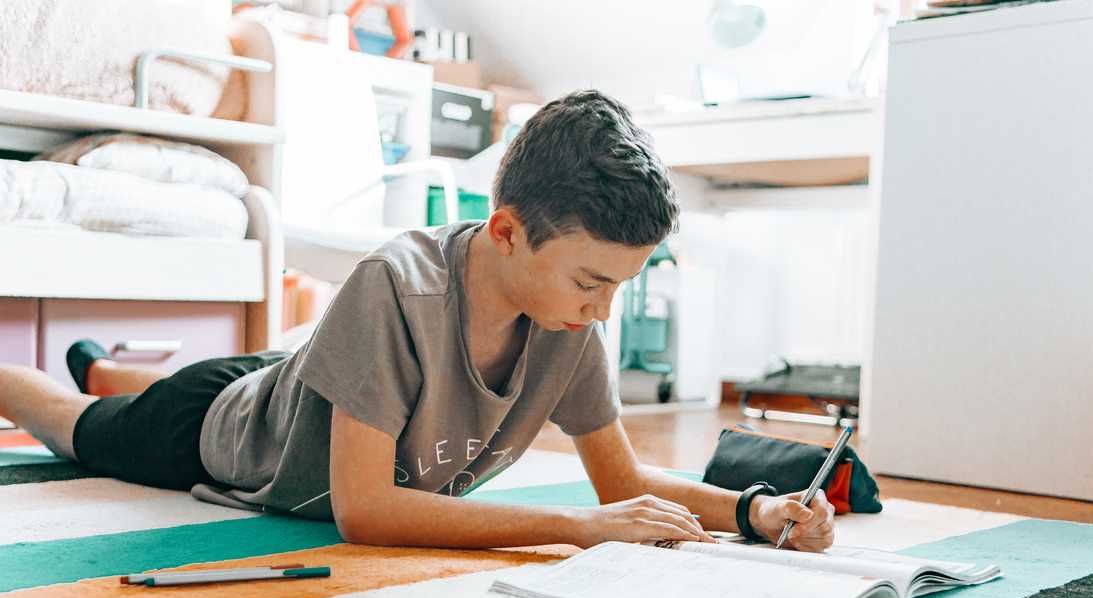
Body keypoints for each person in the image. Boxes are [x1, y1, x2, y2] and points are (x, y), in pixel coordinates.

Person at [0, 90, 835, 552]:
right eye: (592, 281)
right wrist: (574, 527)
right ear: (505, 232)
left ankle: (106, 364)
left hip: (293, 385)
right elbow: (366, 510)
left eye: (620, 284)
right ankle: (58, 379)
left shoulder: (569, 318)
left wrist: (756, 510)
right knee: (72, 423)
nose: (604, 309)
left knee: (222, 378)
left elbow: (625, 486)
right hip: (214, 427)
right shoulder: (395, 285)